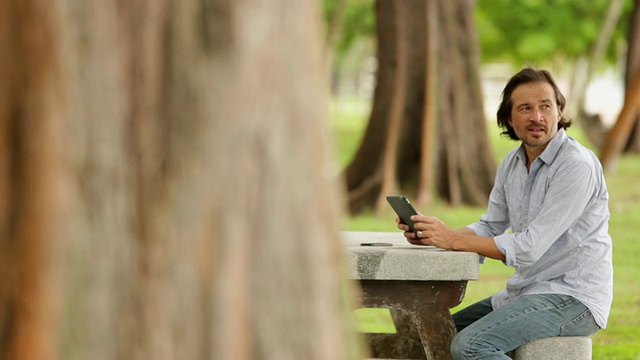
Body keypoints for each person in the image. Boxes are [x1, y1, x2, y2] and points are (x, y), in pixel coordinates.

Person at [396, 67, 613, 359]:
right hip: (528, 292)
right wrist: (434, 234)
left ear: (559, 111)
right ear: (510, 119)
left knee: (471, 346)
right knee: (433, 336)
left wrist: (451, 240)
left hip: (573, 298)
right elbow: (491, 225)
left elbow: (529, 247)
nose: (537, 116)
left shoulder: (576, 165)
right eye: (525, 108)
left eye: (545, 106)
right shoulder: (512, 163)